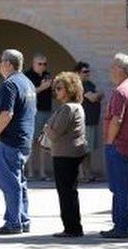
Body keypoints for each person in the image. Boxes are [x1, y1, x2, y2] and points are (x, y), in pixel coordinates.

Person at [0, 49, 37, 235]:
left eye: (1, 61)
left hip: (9, 140)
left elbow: (7, 113)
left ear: (9, 64)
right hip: (24, 140)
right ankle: (23, 219)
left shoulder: (9, 84)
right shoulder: (28, 83)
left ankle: (13, 222)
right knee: (20, 182)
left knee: (10, 183)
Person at [100, 53, 128, 239]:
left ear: (121, 69)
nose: (110, 70)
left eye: (112, 67)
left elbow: (116, 119)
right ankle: (126, 225)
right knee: (126, 188)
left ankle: (121, 226)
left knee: (119, 188)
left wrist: (109, 141)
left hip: (118, 145)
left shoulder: (120, 91)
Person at [43, 72, 88, 237]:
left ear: (69, 89)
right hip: (70, 153)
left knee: (66, 192)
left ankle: (72, 228)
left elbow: (54, 134)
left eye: (60, 88)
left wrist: (46, 126)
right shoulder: (77, 106)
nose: (56, 91)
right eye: (55, 87)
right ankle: (73, 227)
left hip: (65, 155)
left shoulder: (68, 108)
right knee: (70, 191)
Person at [24, 53, 53, 181]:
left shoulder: (47, 75)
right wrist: (42, 87)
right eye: (40, 64)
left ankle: (42, 172)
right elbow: (27, 94)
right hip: (34, 112)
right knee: (31, 142)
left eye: (45, 64)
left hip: (47, 111)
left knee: (43, 143)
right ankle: (30, 172)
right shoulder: (27, 76)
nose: (43, 66)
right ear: (33, 64)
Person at [74, 61, 104, 183]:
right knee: (82, 149)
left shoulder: (90, 84)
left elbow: (101, 94)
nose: (87, 74)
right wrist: (97, 95)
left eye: (88, 71)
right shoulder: (78, 86)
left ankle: (88, 172)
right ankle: (81, 174)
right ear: (78, 73)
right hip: (83, 122)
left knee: (88, 149)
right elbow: (93, 97)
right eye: (85, 72)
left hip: (92, 121)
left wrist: (97, 95)